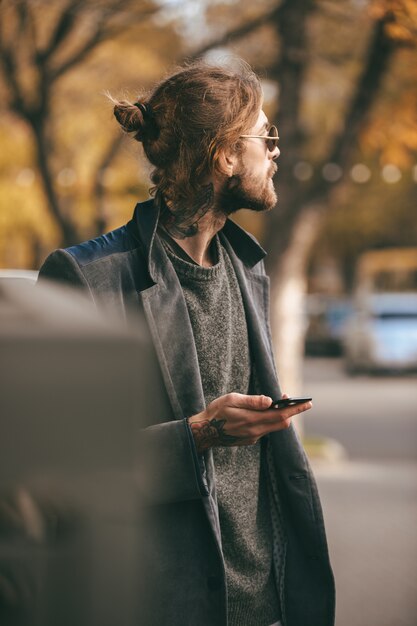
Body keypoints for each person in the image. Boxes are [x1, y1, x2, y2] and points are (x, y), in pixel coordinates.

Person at [38, 60, 335, 626]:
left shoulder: (248, 268)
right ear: (225, 155)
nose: (275, 151)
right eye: (265, 137)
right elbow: (54, 471)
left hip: (265, 599)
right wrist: (199, 435)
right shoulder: (87, 277)